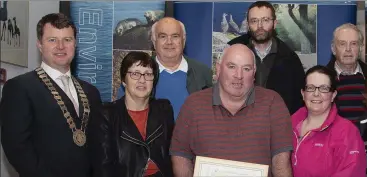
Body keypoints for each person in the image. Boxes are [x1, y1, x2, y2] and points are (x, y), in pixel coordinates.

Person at [0, 13, 104, 177]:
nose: (61, 46)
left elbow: (99, 145)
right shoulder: (19, 87)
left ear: (75, 44)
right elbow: (17, 148)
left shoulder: (92, 92)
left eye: (67, 40)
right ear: (40, 45)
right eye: (52, 40)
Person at [170, 44, 292, 177]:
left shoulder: (273, 103)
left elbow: (281, 161)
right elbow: (180, 155)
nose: (238, 75)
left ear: (254, 73)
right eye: (231, 67)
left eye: (246, 69)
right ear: (218, 69)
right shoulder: (193, 105)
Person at [92, 51, 175, 177]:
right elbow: (103, 168)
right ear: (124, 80)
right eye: (135, 74)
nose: (142, 80)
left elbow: (173, 156)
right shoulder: (107, 115)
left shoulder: (164, 110)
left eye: (148, 74)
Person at [117, 17, 214, 120]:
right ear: (154, 42)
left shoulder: (203, 72)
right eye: (163, 36)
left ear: (183, 40)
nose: (169, 42)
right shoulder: (136, 74)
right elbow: (122, 117)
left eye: (175, 36)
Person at [228, 1, 305, 114]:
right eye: (254, 21)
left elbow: (297, 103)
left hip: (275, 126)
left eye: (265, 20)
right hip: (238, 123)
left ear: (274, 23)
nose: (260, 26)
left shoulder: (290, 58)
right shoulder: (232, 51)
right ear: (248, 25)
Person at [290, 65, 366, 177]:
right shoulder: (287, 126)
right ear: (303, 93)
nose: (316, 94)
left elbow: (351, 173)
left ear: (333, 95)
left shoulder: (346, 132)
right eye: (310, 88)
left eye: (324, 88)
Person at [325, 23, 367, 123]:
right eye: (342, 44)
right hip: (334, 138)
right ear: (333, 49)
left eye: (353, 44)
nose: (348, 49)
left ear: (360, 48)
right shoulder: (322, 80)